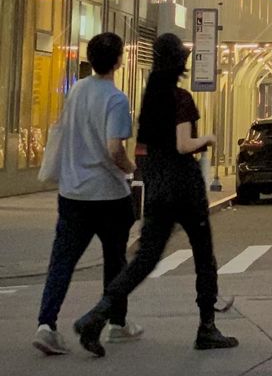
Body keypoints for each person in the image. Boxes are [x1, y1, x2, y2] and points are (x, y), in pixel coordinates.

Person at [74, 33, 237, 357]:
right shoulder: (181, 98)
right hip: (184, 186)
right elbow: (183, 145)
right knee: (204, 255)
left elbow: (146, 146)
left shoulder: (150, 98)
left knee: (145, 258)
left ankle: (98, 314)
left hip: (158, 184)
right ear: (180, 60)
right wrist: (207, 138)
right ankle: (207, 327)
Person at [33, 33, 140, 356]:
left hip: (72, 192)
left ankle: (46, 324)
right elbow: (113, 148)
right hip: (108, 194)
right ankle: (116, 323)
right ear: (119, 60)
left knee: (62, 261)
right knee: (115, 261)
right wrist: (129, 168)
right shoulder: (117, 99)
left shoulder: (76, 91)